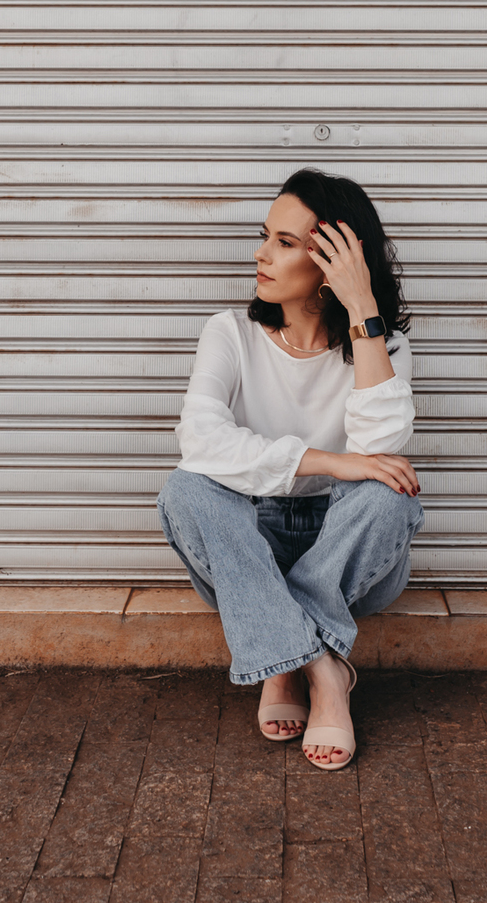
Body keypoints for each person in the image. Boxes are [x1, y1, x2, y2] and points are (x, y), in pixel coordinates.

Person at [157, 167, 421, 771]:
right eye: (265, 236)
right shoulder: (230, 333)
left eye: (284, 242)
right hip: (250, 541)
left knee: (390, 494)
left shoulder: (386, 347)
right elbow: (200, 439)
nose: (261, 254)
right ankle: (322, 670)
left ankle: (278, 657)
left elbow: (381, 448)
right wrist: (328, 461)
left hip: (344, 547)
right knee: (187, 489)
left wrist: (362, 307)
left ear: (333, 262)